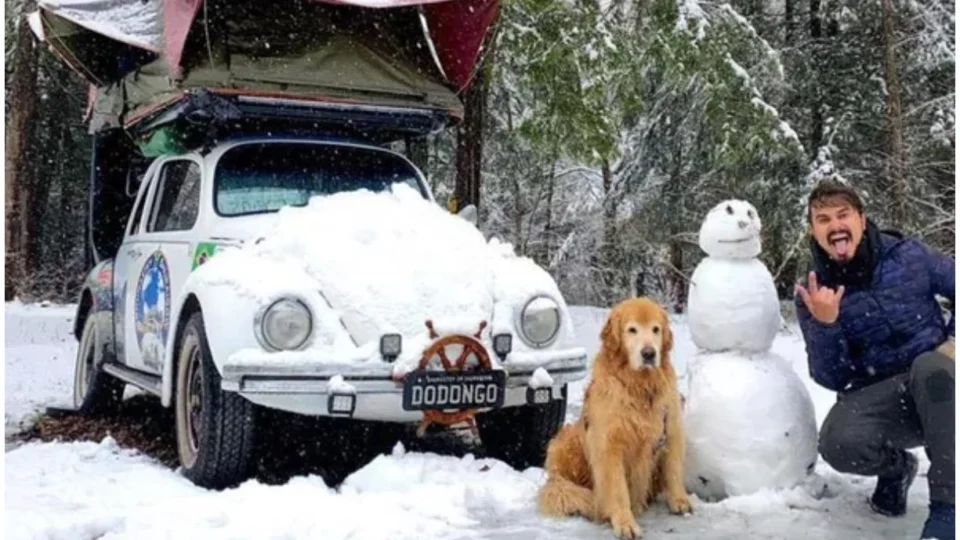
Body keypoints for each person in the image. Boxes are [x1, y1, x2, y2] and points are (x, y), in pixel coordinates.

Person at [794, 180, 955, 540]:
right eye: (823, 219)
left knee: (932, 369)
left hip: (941, 380)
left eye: (843, 214)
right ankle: (897, 468)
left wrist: (953, 342)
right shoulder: (813, 290)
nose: (835, 225)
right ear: (813, 230)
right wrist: (826, 324)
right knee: (837, 443)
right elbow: (831, 378)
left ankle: (948, 511)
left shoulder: (908, 255)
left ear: (862, 220)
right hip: (882, 395)